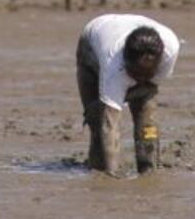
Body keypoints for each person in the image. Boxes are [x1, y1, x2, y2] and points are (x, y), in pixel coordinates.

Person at [76, 13, 180, 176]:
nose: (140, 78)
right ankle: (100, 168)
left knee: (147, 118)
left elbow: (151, 87)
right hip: (92, 42)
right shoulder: (113, 65)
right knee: (98, 119)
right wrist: (112, 174)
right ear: (125, 61)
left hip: (125, 30)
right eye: (136, 73)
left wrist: (139, 86)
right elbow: (110, 124)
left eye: (148, 72)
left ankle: (148, 167)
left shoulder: (171, 49)